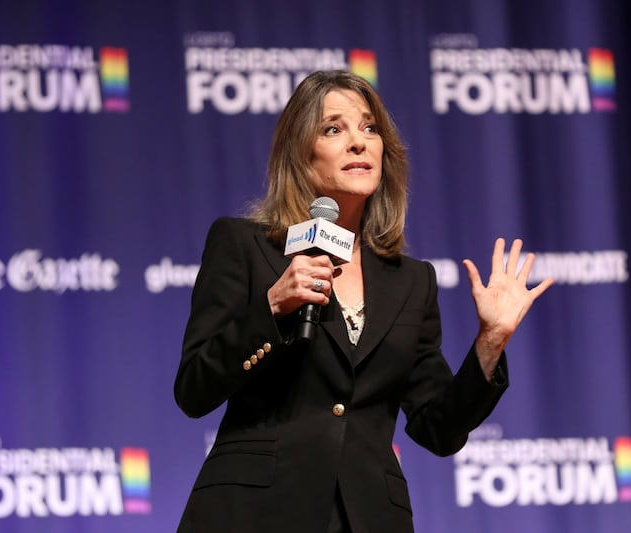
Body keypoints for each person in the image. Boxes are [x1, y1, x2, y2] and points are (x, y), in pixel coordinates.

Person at [173, 70, 553, 533]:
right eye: (334, 129)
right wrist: (271, 308)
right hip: (253, 514)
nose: (359, 142)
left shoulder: (410, 281)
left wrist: (491, 342)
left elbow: (438, 428)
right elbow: (194, 390)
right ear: (300, 153)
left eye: (369, 128)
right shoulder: (245, 246)